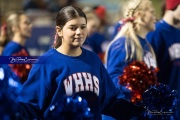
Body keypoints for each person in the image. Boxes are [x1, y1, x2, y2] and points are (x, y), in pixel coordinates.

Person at [17, 5, 143, 120]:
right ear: (59, 31)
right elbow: (29, 107)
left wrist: (141, 112)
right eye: (73, 28)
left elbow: (110, 101)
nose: (79, 32)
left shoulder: (93, 59)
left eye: (83, 27)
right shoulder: (46, 63)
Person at [104, 0, 157, 119]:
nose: (155, 17)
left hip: (139, 113)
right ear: (139, 15)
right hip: (123, 115)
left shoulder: (146, 45)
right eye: (152, 12)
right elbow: (112, 80)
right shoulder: (123, 44)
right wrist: (135, 88)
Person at [146, 0, 180, 119]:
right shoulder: (156, 32)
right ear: (173, 5)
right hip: (163, 109)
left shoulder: (178, 32)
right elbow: (149, 75)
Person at [1, 11, 33, 84]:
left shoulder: (22, 48)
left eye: (30, 23)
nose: (30, 26)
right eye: (26, 23)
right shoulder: (12, 49)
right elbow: (7, 80)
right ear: (14, 28)